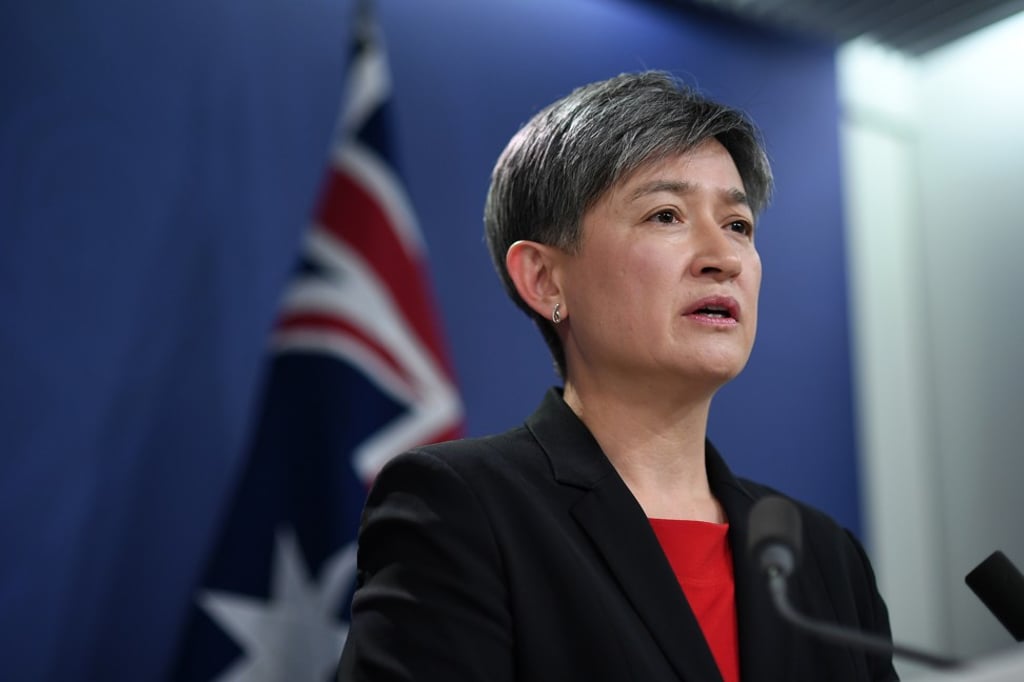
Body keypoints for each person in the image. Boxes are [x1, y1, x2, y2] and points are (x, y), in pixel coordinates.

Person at [337, 71, 897, 681]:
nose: (724, 258)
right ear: (544, 279)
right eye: (666, 215)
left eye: (738, 225)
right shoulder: (462, 509)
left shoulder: (821, 556)